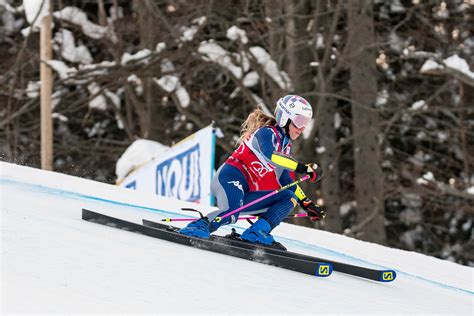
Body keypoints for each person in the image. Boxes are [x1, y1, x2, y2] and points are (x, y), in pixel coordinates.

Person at [179, 95, 325, 246]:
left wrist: (307, 203)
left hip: (246, 191)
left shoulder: (285, 146)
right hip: (228, 179)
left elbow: (285, 180)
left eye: (305, 123)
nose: (302, 128)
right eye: (299, 121)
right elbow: (270, 156)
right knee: (231, 213)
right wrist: (303, 168)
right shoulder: (267, 133)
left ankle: (257, 232)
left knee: (288, 197)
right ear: (284, 118)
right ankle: (199, 226)